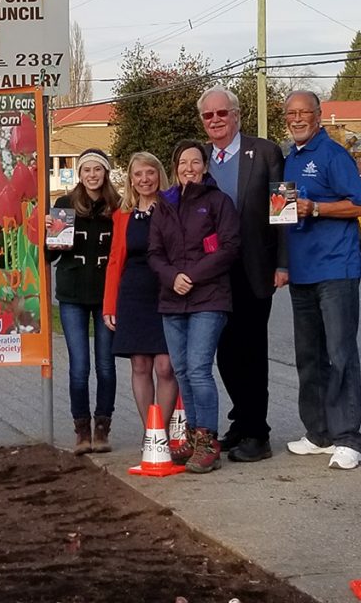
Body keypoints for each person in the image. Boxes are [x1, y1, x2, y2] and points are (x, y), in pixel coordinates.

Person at [198, 84, 288, 463]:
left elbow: (284, 210)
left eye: (222, 113)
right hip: (214, 273)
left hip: (254, 269)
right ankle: (239, 421)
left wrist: (283, 263)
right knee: (225, 353)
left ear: (236, 115)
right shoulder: (198, 157)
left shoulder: (266, 152)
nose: (216, 120)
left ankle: (258, 433)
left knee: (251, 351)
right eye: (208, 115)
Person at [283, 90, 361, 470]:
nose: (298, 119)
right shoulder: (289, 160)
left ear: (319, 116)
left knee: (339, 354)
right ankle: (318, 433)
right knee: (309, 358)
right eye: (291, 113)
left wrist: (316, 207)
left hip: (336, 269)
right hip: (301, 272)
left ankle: (349, 437)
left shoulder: (334, 156)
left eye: (305, 112)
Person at [148, 140, 240, 473]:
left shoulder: (218, 202)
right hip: (173, 299)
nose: (189, 167)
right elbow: (154, 254)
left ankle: (208, 440)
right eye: (183, 162)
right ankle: (191, 435)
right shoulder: (164, 204)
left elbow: (229, 248)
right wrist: (173, 277)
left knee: (199, 368)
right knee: (182, 369)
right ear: (175, 167)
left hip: (208, 298)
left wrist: (192, 275)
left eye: (195, 162)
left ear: (205, 166)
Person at [46, 148, 119, 455]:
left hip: (105, 294)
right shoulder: (64, 205)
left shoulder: (116, 206)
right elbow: (50, 256)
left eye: (97, 169)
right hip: (73, 293)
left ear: (105, 173)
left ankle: (102, 427)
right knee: (79, 365)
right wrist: (50, 234)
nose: (92, 175)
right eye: (87, 169)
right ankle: (81, 430)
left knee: (105, 365)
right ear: (79, 174)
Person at [102, 152, 177, 442]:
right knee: (141, 366)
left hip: (166, 293)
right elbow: (114, 260)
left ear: (159, 175)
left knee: (165, 365)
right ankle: (151, 435)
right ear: (131, 180)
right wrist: (110, 304)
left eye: (150, 173)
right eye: (138, 174)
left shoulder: (172, 208)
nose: (144, 179)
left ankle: (165, 430)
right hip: (132, 294)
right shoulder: (122, 215)